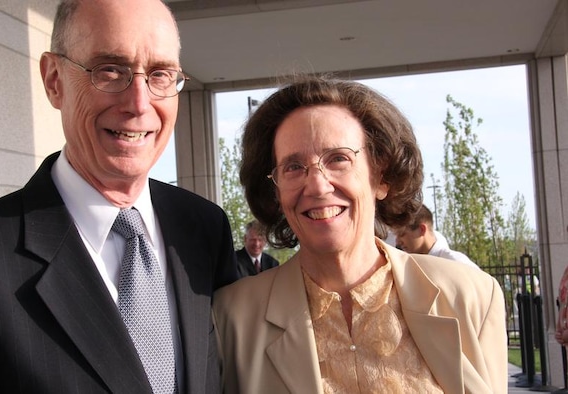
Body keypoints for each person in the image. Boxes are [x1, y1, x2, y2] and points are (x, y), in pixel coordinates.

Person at [0, 1, 237, 393]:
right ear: (54, 80)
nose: (139, 103)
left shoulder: (203, 230)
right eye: (110, 70)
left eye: (160, 75)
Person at [213, 77, 507, 393]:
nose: (317, 185)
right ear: (276, 193)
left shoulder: (470, 297)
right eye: (294, 167)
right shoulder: (232, 319)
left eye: (338, 159)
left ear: (380, 176)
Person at [394, 204, 479, 268]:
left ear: (422, 230)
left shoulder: (456, 263)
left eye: (402, 234)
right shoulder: (409, 266)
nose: (397, 241)